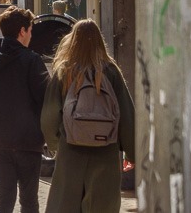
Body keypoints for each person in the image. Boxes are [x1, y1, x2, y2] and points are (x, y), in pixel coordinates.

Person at [41, 19, 135, 213]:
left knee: (66, 205)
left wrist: (57, 145)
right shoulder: (110, 71)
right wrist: (132, 153)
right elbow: (126, 115)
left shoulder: (64, 71)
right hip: (106, 154)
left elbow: (49, 116)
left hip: (71, 153)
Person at [0, 6, 49, 213]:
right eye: (30, 30)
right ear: (22, 31)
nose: (31, 35)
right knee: (29, 202)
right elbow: (46, 99)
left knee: (4, 202)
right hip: (27, 142)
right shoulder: (32, 61)